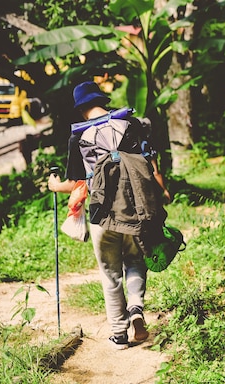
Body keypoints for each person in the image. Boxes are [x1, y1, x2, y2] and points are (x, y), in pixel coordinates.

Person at [48, 81, 171, 349]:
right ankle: (136, 309)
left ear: (81, 109)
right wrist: (162, 191)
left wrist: (56, 186)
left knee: (110, 274)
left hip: (102, 216)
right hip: (133, 211)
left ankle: (118, 334)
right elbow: (149, 162)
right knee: (136, 262)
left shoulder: (78, 136)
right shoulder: (131, 124)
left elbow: (77, 181)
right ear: (103, 101)